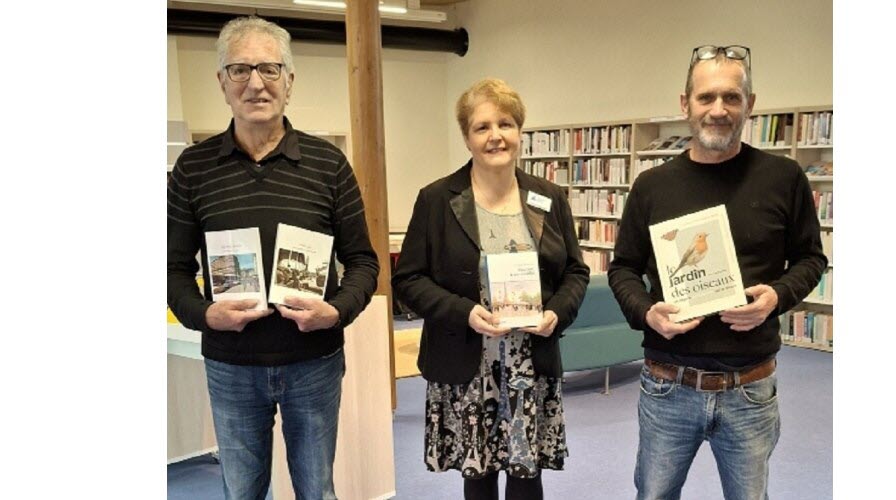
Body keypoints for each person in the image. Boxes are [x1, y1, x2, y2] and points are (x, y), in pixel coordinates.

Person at [166, 16, 379, 500]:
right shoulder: (193, 169)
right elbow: (173, 269)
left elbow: (364, 262)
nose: (256, 83)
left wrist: (337, 311)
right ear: (222, 82)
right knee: (241, 493)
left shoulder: (329, 165)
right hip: (231, 367)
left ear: (290, 80)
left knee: (316, 491)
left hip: (314, 362)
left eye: (269, 68)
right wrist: (203, 315)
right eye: (240, 69)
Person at [607, 45, 827, 500]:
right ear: (685, 103)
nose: (719, 110)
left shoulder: (783, 178)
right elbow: (623, 269)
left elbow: (811, 259)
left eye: (731, 97)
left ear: (750, 104)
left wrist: (777, 297)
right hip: (668, 386)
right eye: (706, 98)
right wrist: (649, 313)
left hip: (750, 388)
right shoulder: (651, 186)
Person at [392, 78, 590, 500]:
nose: (495, 136)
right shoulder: (436, 199)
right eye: (482, 127)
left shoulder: (548, 197)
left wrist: (556, 313)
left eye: (505, 124)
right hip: (467, 361)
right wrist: (464, 311)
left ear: (519, 131)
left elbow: (576, 272)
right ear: (467, 137)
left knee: (527, 475)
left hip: (530, 362)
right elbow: (408, 279)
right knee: (477, 476)